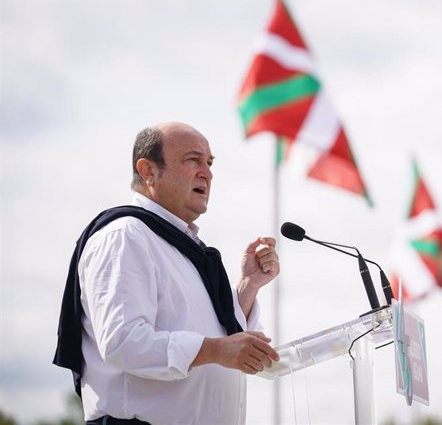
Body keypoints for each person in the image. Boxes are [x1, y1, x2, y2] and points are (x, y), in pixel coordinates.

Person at [53, 122, 280, 424]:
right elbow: (124, 341)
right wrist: (215, 350)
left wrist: (248, 288)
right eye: (192, 160)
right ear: (148, 170)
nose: (207, 173)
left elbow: (206, 329)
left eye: (209, 163)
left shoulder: (182, 248)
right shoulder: (125, 236)